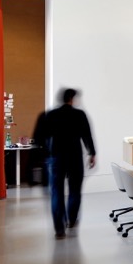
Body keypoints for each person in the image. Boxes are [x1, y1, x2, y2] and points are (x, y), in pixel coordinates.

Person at [43, 88, 96, 238]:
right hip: (74, 158)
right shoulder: (79, 114)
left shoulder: (51, 115)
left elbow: (45, 137)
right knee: (74, 191)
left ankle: (59, 230)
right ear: (72, 99)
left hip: (56, 158)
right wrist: (92, 153)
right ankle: (71, 220)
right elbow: (87, 135)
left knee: (57, 193)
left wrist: (47, 155)